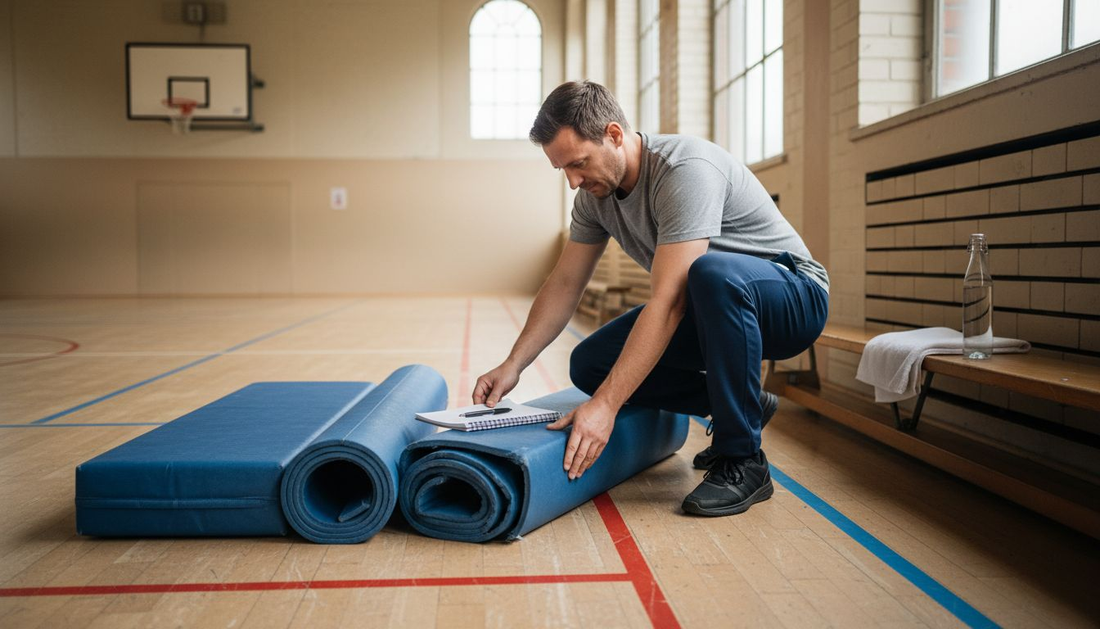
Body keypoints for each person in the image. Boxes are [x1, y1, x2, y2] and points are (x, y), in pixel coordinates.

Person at [472, 81, 829, 517]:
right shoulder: (593, 196)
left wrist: (606, 405)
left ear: (615, 135)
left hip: (793, 298)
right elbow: (565, 284)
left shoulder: (684, 170)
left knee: (710, 272)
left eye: (579, 163)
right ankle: (740, 403)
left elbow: (669, 302)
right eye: (562, 170)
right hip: (715, 308)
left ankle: (743, 459)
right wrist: (514, 363)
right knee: (591, 363)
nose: (573, 181)